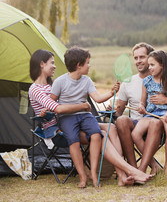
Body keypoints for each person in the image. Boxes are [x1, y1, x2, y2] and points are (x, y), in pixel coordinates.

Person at [50, 46, 152, 188]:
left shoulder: (87, 81)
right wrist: (46, 110)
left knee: (97, 135)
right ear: (79, 65)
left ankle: (94, 172)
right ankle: (83, 177)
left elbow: (97, 99)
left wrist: (111, 93)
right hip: (67, 117)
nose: (89, 65)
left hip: (85, 116)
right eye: (87, 63)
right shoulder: (60, 81)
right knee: (73, 141)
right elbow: (51, 100)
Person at [115, 43, 167, 175]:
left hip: (159, 122)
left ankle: (143, 169)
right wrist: (113, 107)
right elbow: (118, 112)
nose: (138, 61)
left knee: (155, 122)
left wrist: (166, 100)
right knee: (121, 120)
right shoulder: (129, 82)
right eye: (136, 58)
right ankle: (135, 168)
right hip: (140, 121)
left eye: (142, 57)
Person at [133, 50, 167, 178]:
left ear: (162, 65)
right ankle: (152, 163)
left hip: (165, 113)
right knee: (135, 134)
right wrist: (141, 107)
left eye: (153, 65)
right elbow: (142, 102)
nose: (150, 68)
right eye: (149, 65)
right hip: (150, 114)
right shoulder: (147, 81)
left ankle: (166, 166)